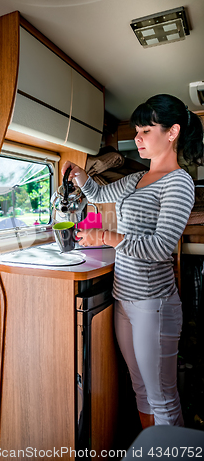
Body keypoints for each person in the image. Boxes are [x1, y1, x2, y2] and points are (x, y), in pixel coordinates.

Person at [62, 94, 204, 429]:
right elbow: (98, 195)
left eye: (145, 130)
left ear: (172, 133)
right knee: (140, 388)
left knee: (163, 397)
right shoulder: (137, 179)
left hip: (153, 304)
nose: (136, 137)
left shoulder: (179, 182)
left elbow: (159, 247)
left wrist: (105, 237)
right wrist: (81, 176)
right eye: (136, 130)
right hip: (124, 297)